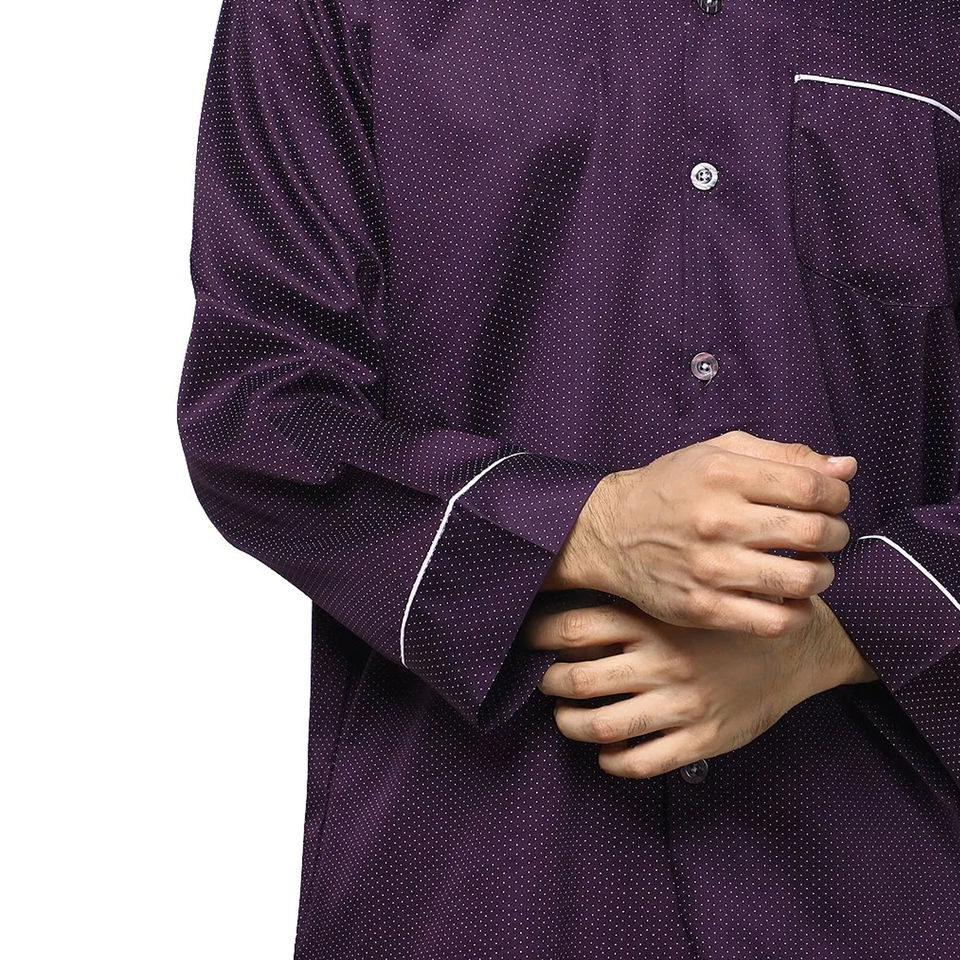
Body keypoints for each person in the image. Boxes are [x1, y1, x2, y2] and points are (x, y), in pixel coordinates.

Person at [176, 1, 960, 956]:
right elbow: (259, 405)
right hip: (478, 877)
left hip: (876, 877)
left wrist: (833, 636)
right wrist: (594, 525)